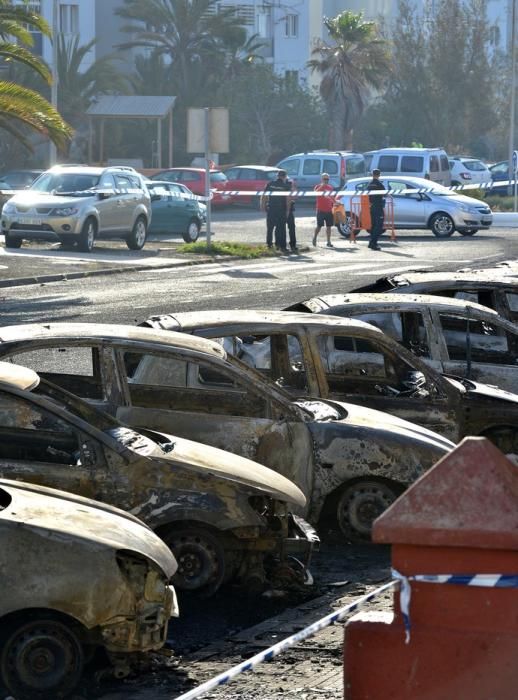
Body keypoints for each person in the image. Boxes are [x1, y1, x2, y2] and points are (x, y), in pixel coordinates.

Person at [261, 169, 291, 253]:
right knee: (281, 228)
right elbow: (288, 199)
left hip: (271, 209)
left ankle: (269, 245)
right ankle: (281, 246)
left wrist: (262, 206)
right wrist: (288, 210)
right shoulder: (286, 186)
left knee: (270, 228)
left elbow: (264, 196)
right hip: (281, 209)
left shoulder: (270, 184)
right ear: (284, 177)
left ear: (277, 176)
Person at [312, 173, 334, 248]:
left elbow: (331, 197)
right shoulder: (318, 186)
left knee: (329, 226)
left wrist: (335, 202)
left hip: (329, 209)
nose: (326, 180)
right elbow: (315, 193)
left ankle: (328, 241)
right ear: (322, 179)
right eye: (325, 179)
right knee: (319, 226)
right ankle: (314, 237)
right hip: (320, 209)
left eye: (327, 179)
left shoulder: (330, 187)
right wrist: (322, 186)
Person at [366, 168, 386, 251]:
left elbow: (368, 194)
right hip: (378, 206)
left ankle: (371, 243)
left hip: (372, 206)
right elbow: (384, 193)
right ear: (379, 175)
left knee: (374, 226)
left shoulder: (370, 184)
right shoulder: (379, 184)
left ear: (372, 174)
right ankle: (373, 243)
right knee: (379, 226)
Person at [286, 178, 298, 252]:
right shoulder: (287, 190)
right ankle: (292, 245)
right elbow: (290, 200)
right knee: (290, 228)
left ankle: (292, 244)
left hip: (288, 210)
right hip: (287, 210)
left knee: (291, 227)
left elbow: (295, 197)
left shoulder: (289, 190)